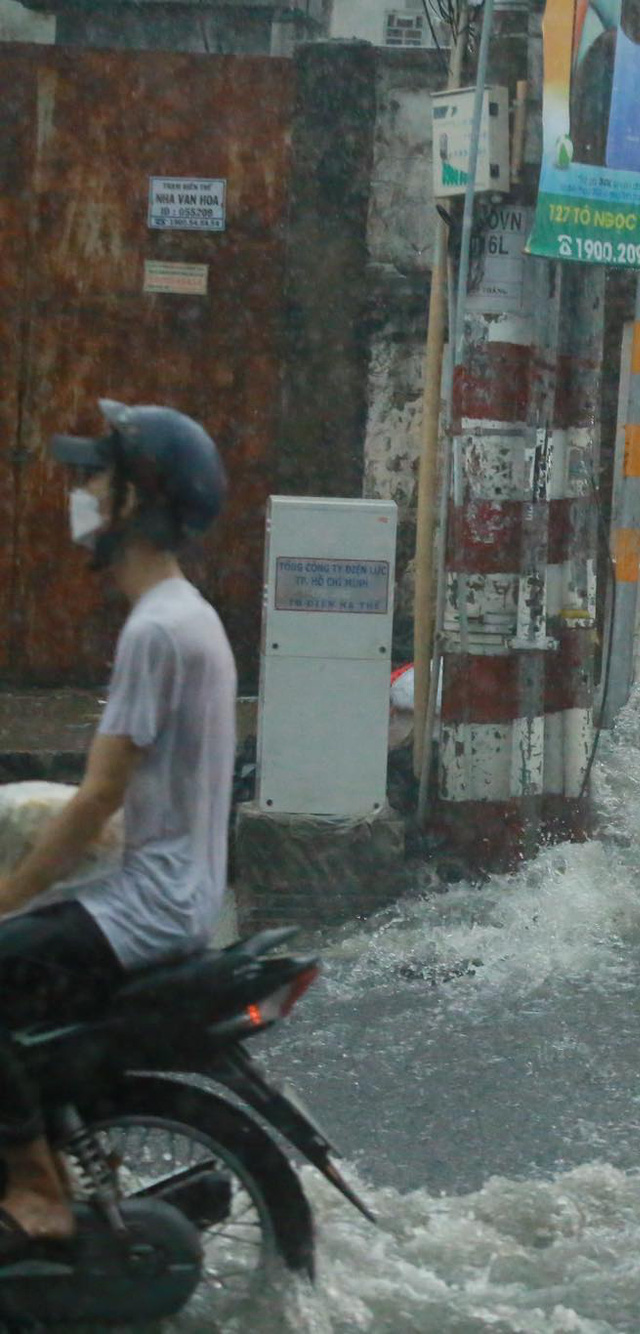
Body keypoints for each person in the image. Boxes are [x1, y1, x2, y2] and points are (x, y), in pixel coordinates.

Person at [0, 401, 233, 1258]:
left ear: (135, 501)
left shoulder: (158, 630)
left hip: (151, 903)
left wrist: (10, 894)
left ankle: (35, 1184)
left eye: (96, 478)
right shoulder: (188, 617)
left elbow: (100, 796)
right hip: (169, 889)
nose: (83, 493)